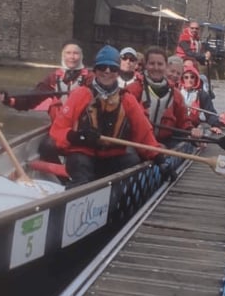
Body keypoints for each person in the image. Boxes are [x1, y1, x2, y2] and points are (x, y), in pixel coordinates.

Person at [49, 45, 167, 188]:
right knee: (79, 164)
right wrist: (77, 136)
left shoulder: (127, 99)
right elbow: (57, 131)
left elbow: (144, 134)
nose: (107, 71)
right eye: (102, 67)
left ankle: (117, 196)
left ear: (118, 72)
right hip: (84, 155)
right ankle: (78, 192)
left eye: (112, 68)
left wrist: (159, 158)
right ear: (95, 70)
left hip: (112, 158)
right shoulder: (81, 94)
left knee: (132, 161)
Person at [0, 40, 92, 162]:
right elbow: (30, 100)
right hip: (60, 129)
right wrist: (8, 100)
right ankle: (64, 180)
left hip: (83, 129)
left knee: (82, 154)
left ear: (81, 55)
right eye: (68, 53)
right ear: (63, 55)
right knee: (45, 148)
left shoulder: (90, 78)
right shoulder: (53, 78)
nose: (72, 57)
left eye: (76, 53)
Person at [127, 47, 202, 146]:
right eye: (152, 63)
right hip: (137, 142)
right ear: (146, 65)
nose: (156, 68)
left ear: (166, 66)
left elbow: (184, 122)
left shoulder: (176, 95)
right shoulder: (133, 90)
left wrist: (191, 130)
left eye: (160, 64)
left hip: (165, 142)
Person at [179, 64, 223, 135]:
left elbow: (210, 112)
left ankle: (200, 142)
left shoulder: (202, 95)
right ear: (182, 79)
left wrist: (215, 125)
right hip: (179, 124)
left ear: (196, 79)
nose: (189, 80)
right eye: (186, 77)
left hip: (193, 124)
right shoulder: (176, 92)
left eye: (192, 77)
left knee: (205, 128)